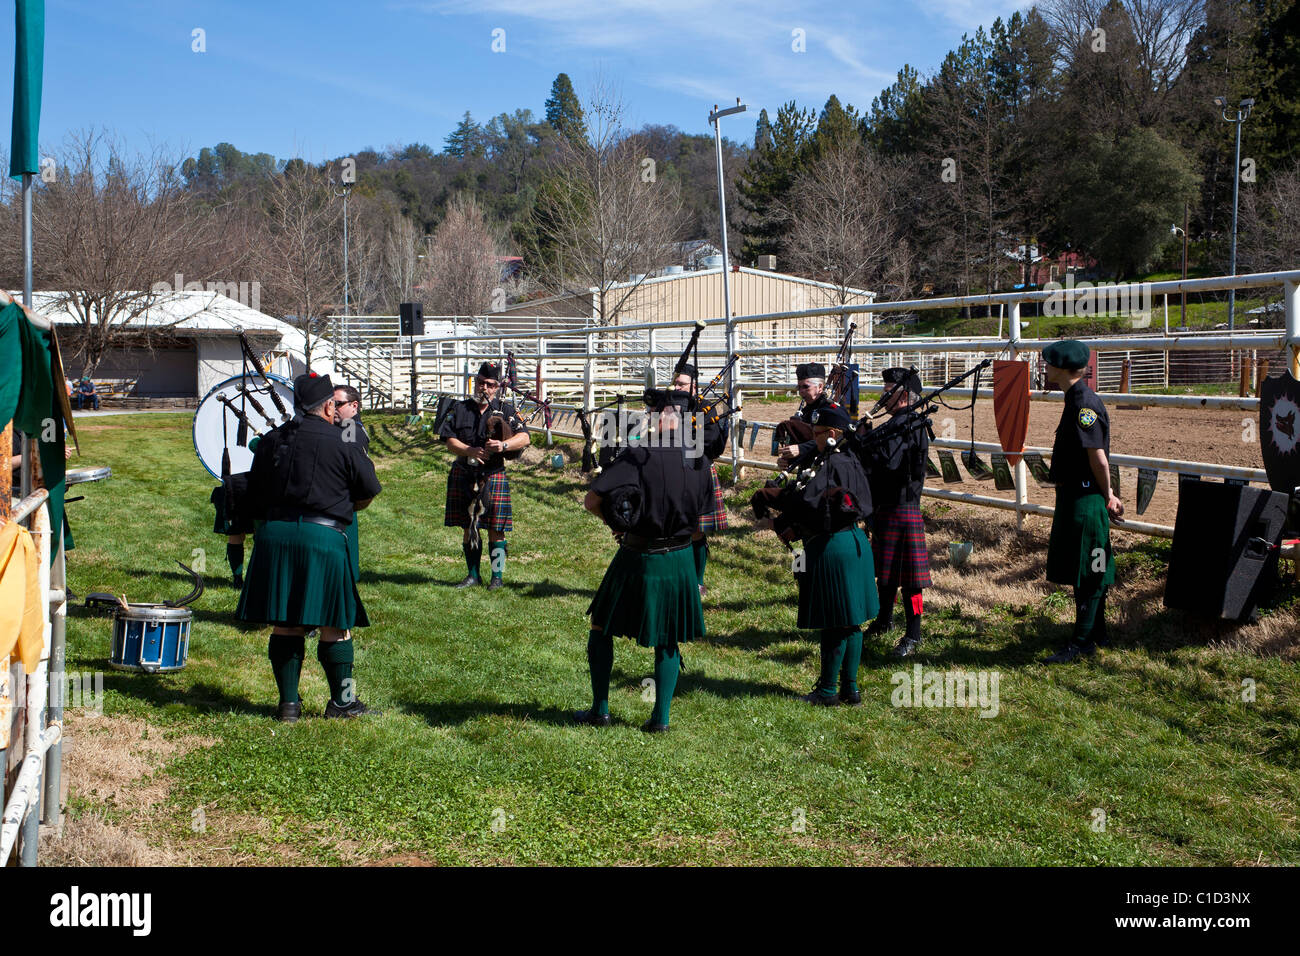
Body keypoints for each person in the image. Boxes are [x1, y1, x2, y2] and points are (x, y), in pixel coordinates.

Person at [237, 372, 383, 721]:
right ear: (329, 405)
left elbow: (252, 497)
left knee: (285, 623)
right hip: (323, 538)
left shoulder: (271, 441)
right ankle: (343, 702)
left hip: (275, 537)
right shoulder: (343, 440)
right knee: (336, 625)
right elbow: (368, 491)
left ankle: (288, 705)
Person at [576, 389, 711, 732]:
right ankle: (660, 719)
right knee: (668, 638)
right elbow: (702, 519)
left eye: (651, 411)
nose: (647, 417)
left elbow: (592, 501)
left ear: (666, 415)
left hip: (639, 554)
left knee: (601, 627)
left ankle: (600, 710)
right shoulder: (701, 460)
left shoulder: (638, 455)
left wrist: (617, 527)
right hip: (680, 557)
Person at [756, 405, 879, 705]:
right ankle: (850, 689)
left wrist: (781, 517)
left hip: (831, 547)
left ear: (834, 434)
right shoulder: (850, 459)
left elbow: (808, 505)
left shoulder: (832, 465)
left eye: (818, 433)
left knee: (834, 622)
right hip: (855, 542)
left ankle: (826, 691)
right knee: (852, 622)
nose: (814, 437)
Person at [1040, 340, 1122, 664]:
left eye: (1049, 364)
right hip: (1079, 497)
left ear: (1061, 368)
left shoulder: (1083, 404)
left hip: (1085, 500)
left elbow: (1098, 459)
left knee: (1090, 569)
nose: (1045, 368)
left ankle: (1082, 642)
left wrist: (1109, 495)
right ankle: (1095, 633)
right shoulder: (1075, 399)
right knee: (1091, 567)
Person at [439, 362, 531, 590]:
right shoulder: (459, 408)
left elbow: (525, 437)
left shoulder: (505, 410)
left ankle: (497, 578)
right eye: (480, 382)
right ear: (475, 382)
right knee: (468, 526)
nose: (484, 388)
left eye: (489, 385)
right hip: (465, 471)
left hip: (493, 473)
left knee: (496, 528)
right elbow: (449, 440)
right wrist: (469, 450)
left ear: (497, 387)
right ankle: (473, 575)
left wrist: (504, 444)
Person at [862, 368, 933, 657]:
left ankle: (913, 634)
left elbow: (889, 463)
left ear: (902, 396)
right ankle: (884, 620)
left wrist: (864, 441)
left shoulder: (911, 425)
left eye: (887, 391)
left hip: (903, 506)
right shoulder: (894, 423)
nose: (882, 397)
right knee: (886, 573)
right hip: (885, 506)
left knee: (911, 579)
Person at [671, 363, 728, 597]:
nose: (677, 387)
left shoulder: (707, 408)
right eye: (675, 383)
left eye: (681, 384)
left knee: (696, 529)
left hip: (698, 470)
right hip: (672, 471)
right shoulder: (669, 407)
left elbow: (712, 443)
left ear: (694, 386)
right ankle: (677, 576)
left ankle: (697, 581)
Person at [334, 384, 369, 583]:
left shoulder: (350, 428)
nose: (333, 407)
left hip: (343, 499)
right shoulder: (343, 427)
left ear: (354, 406)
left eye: (338, 403)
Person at [776, 362, 839, 468]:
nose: (801, 392)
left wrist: (801, 448)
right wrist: (788, 460)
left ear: (820, 387)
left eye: (805, 387)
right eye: (799, 387)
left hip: (830, 472)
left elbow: (836, 440)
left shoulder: (832, 411)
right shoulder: (805, 412)